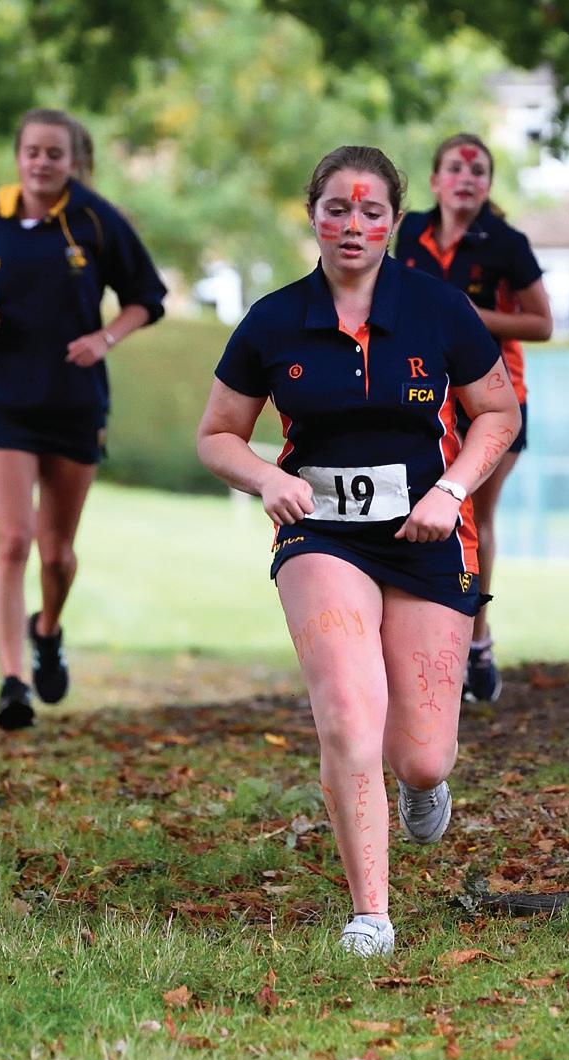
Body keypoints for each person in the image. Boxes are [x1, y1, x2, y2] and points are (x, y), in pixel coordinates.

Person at [197, 146, 521, 956]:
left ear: (394, 222)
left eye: (371, 212)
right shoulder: (274, 319)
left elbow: (498, 412)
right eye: (336, 209)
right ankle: (371, 914)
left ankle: (423, 783)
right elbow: (217, 435)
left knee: (423, 756)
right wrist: (266, 480)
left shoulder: (439, 308)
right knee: (347, 712)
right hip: (322, 534)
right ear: (313, 215)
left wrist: (452, 490)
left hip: (424, 534)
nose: (352, 225)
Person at [0, 108, 168, 730]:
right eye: (32, 151)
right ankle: (12, 683)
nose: (41, 162)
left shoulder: (96, 220)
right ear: (18, 156)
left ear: (74, 160)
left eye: (54, 153)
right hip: (0, 400)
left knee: (56, 553)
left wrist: (105, 338)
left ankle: (47, 629)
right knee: (13, 540)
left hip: (73, 402)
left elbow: (148, 297)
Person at [396, 134, 553, 702]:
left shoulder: (507, 243)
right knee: (418, 512)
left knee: (470, 516)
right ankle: (425, 642)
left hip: (494, 399)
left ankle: (476, 642)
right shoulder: (410, 231)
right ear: (435, 180)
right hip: (421, 396)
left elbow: (542, 323)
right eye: (456, 169)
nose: (466, 178)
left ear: (488, 184)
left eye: (478, 170)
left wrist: (466, 315)